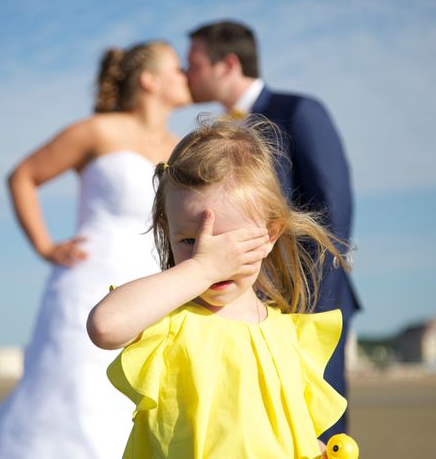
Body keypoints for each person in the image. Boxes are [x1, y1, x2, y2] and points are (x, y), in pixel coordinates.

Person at [0, 41, 191, 459]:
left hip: (159, 289)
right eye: (177, 68)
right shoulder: (98, 131)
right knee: (78, 393)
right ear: (149, 80)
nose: (186, 76)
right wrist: (44, 245)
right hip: (88, 286)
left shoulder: (182, 148)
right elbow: (22, 176)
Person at [87, 117, 350, 458]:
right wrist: (201, 269)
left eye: (227, 244)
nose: (209, 254)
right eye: (189, 240)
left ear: (270, 234)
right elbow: (105, 326)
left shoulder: (288, 334)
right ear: (167, 230)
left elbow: (286, 430)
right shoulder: (168, 322)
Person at [186, 20, 359, 439]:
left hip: (309, 295)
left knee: (316, 421)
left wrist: (310, 299)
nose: (183, 74)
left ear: (227, 64)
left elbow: (332, 213)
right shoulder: (217, 133)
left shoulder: (300, 111)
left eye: (191, 63)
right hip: (247, 301)